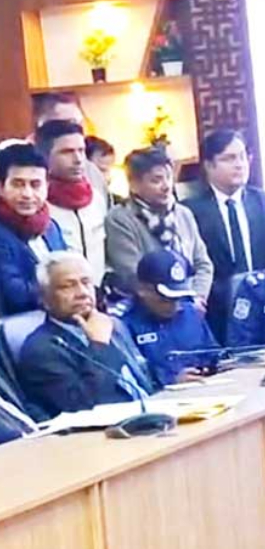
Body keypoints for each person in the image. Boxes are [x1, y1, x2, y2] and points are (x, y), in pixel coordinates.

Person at [17, 251, 155, 422]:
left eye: (86, 282)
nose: (82, 293)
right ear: (44, 299)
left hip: (152, 414)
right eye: (68, 286)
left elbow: (144, 380)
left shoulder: (112, 325)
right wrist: (100, 346)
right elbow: (82, 406)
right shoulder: (41, 349)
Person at [184, 129, 265, 342]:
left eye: (243, 156)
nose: (239, 164)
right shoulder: (191, 211)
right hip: (217, 313)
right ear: (208, 165)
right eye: (229, 159)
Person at [105, 147, 213, 300]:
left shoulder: (183, 214)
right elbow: (131, 273)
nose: (166, 186)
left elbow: (203, 264)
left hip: (191, 302)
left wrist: (197, 297)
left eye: (169, 177)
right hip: (147, 304)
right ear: (134, 184)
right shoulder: (120, 219)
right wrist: (169, 301)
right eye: (156, 180)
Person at [110, 250, 220, 387]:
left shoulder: (190, 311)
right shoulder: (123, 324)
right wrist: (169, 381)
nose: (174, 306)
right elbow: (130, 379)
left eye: (178, 298)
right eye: (165, 300)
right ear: (142, 289)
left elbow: (213, 354)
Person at [34, 120, 108, 286]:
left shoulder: (96, 199)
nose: (78, 159)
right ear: (46, 156)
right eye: (67, 152)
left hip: (98, 293)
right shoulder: (37, 205)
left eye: (81, 151)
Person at [0, 143, 68, 315]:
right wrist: (64, 290)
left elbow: (66, 270)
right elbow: (15, 293)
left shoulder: (51, 227)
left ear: (47, 187)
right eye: (18, 184)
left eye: (35, 184)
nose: (27, 194)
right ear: (1, 187)